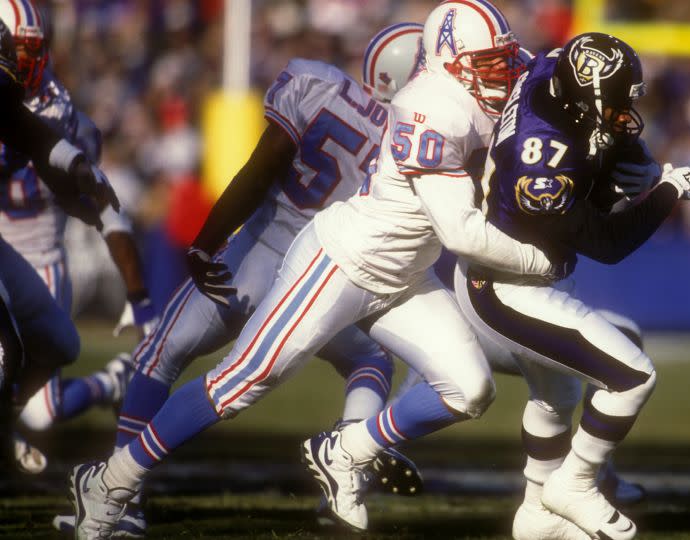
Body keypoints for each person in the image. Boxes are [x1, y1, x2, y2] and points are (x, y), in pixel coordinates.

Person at [69, 0, 565, 536]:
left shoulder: (471, 92)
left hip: (403, 278)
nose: (502, 73)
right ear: (447, 62)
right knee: (240, 382)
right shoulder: (430, 107)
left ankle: (347, 450)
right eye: (488, 63)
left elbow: (538, 83)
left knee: (470, 389)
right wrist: (540, 257)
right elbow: (460, 231)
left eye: (503, 60)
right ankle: (110, 481)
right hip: (342, 262)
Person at [58, 22, 425, 538]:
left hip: (255, 255)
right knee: (369, 360)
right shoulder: (415, 143)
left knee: (160, 358)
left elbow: (262, 165)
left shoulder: (315, 82)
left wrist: (207, 237)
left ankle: (120, 498)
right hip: (318, 279)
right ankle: (346, 473)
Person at [452, 33, 690, 540]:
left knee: (557, 394)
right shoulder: (541, 157)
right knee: (632, 375)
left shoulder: (554, 69)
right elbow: (608, 244)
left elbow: (602, 138)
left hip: (523, 277)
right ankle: (575, 483)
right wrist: (664, 193)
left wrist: (625, 165)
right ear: (587, 93)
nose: (625, 111)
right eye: (616, 100)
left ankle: (537, 517)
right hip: (506, 288)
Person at [0, 0, 158, 475]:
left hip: (39, 256)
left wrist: (140, 297)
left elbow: (98, 205)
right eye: (13, 50)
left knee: (50, 379)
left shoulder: (54, 108)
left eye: (28, 51)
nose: (23, 63)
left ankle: (111, 382)